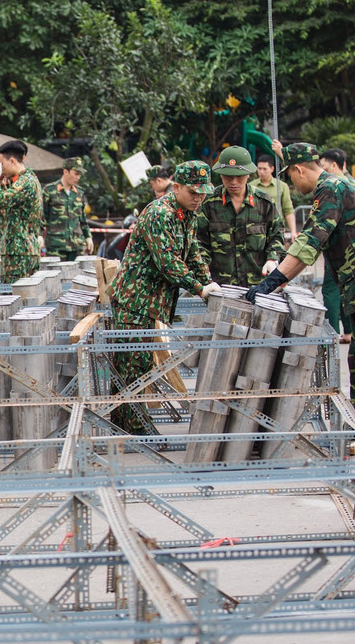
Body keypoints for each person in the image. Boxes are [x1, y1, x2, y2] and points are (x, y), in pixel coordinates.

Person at [246, 143, 355, 445]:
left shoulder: (332, 187)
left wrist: (272, 282)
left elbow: (311, 242)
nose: (293, 185)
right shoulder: (324, 193)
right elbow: (306, 244)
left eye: (291, 177)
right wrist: (276, 276)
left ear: (299, 170)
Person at [108, 161, 220, 434]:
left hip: (152, 302)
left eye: (203, 192)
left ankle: (126, 425)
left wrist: (208, 281)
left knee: (138, 364)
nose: (199, 197)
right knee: (133, 367)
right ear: (177, 187)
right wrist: (199, 288)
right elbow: (168, 261)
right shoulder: (160, 213)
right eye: (194, 192)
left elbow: (192, 253)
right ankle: (136, 429)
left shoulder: (187, 213)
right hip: (136, 301)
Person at [195, 146, 285, 287]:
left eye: (239, 176)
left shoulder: (264, 202)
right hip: (220, 287)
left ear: (249, 174)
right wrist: (204, 276)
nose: (234, 182)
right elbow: (199, 243)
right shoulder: (209, 203)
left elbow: (276, 235)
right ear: (221, 175)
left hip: (257, 285)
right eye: (228, 176)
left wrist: (272, 259)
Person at [0, 139, 42, 283]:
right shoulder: (23, 181)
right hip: (20, 250)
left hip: (19, 251)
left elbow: (1, 201)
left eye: (1, 164)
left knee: (16, 297)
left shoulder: (26, 181)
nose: (0, 168)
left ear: (12, 161)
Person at [318, 147, 355, 342]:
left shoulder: (335, 186)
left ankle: (331, 332)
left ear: (334, 166)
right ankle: (348, 331)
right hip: (350, 247)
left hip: (338, 247)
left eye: (323, 167)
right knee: (344, 288)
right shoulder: (351, 182)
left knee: (330, 291)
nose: (321, 171)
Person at [44, 157, 94, 262]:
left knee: (78, 276)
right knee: (56, 275)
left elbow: (83, 219)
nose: (78, 177)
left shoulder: (79, 192)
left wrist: (88, 237)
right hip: (56, 246)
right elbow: (42, 216)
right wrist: (39, 236)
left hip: (77, 246)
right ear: (65, 171)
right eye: (76, 173)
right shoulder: (50, 190)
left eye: (80, 174)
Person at [253, 153, 298, 242]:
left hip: (276, 229)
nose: (261, 172)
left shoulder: (281, 186)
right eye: (259, 168)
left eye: (265, 169)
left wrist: (293, 231)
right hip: (255, 229)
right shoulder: (251, 186)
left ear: (272, 169)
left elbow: (288, 210)